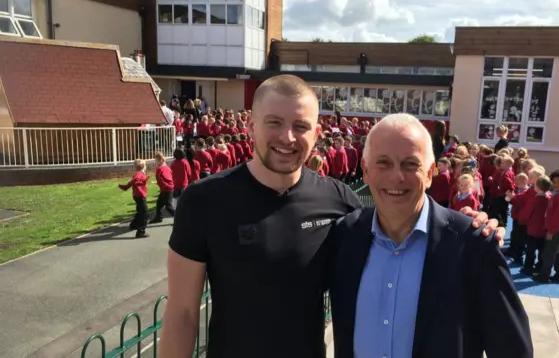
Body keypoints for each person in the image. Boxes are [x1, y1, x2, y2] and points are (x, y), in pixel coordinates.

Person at [159, 75, 506, 358]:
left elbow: (399, 231)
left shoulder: (338, 200)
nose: (287, 137)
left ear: (317, 133)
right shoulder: (203, 201)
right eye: (274, 123)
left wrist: (471, 227)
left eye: (300, 125)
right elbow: (182, 313)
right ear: (251, 126)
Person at [327, 114, 533, 358]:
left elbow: (513, 350)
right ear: (366, 170)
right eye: (383, 163)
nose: (397, 176)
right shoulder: (344, 236)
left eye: (410, 164)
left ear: (430, 173)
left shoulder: (473, 245)